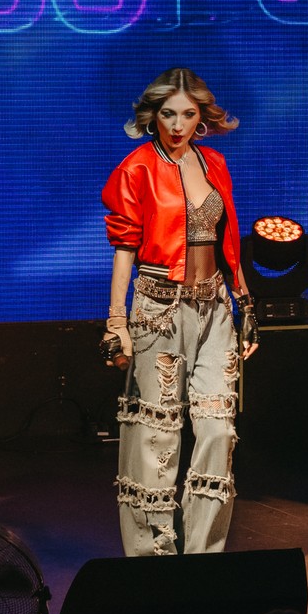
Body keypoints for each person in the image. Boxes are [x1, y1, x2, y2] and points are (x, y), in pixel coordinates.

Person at [100, 67, 258, 556]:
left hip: (215, 309)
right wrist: (117, 321)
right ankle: (154, 561)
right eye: (168, 114)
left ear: (201, 117)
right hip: (159, 310)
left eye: (187, 114)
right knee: (156, 438)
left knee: (218, 430)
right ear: (153, 116)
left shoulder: (214, 162)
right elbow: (124, 247)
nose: (177, 124)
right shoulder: (137, 168)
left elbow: (228, 241)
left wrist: (245, 303)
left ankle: (203, 557)